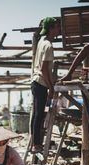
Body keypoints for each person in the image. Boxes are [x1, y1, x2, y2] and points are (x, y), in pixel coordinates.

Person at [30, 17, 60, 153]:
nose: (58, 29)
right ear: (51, 29)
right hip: (41, 82)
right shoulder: (48, 45)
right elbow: (44, 69)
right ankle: (36, 144)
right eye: (56, 27)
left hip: (36, 82)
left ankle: (33, 142)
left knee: (37, 113)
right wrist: (51, 87)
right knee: (39, 114)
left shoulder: (42, 41)